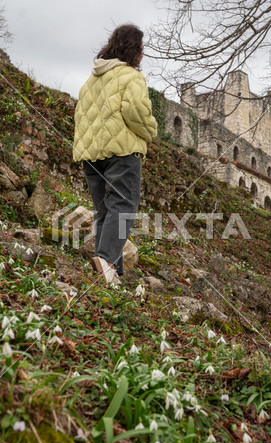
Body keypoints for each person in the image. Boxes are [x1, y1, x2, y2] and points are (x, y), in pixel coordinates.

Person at [73, 24, 157, 284]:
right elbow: (136, 113)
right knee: (123, 206)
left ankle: (111, 273)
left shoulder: (91, 80)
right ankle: (107, 260)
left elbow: (80, 116)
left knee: (105, 212)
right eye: (141, 49)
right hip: (121, 151)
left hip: (91, 155)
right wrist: (151, 131)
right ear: (132, 49)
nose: (143, 55)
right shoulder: (131, 76)